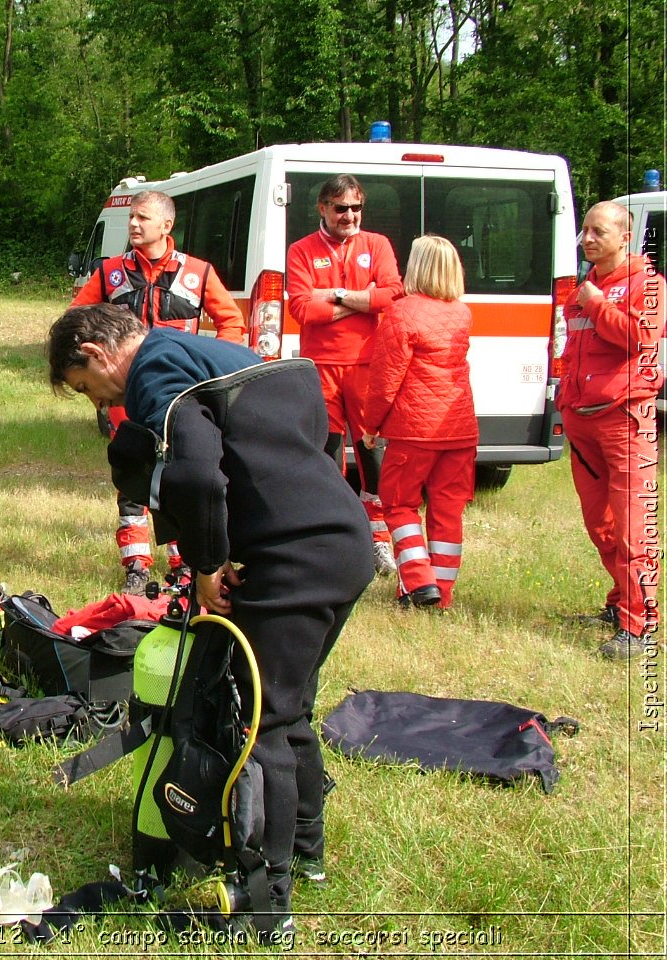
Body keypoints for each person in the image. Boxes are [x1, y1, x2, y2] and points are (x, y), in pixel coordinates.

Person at [47, 302, 374, 934]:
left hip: (291, 557)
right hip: (341, 540)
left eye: (91, 389)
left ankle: (263, 901)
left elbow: (197, 475)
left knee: (262, 721)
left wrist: (206, 562)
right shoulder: (212, 352)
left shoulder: (153, 371)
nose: (103, 403)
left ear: (95, 353)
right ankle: (304, 853)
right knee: (286, 703)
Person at [71, 190, 247, 595]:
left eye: (142, 218)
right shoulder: (109, 272)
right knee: (132, 478)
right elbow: (74, 320)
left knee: (181, 476)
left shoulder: (198, 273)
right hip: (127, 396)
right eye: (131, 217)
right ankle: (135, 565)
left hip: (182, 397)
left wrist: (207, 379)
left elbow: (231, 325)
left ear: (166, 226)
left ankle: (185, 563)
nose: (133, 224)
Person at [286, 174, 404, 578]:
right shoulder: (301, 250)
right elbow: (302, 309)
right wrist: (363, 301)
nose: (349, 215)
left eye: (356, 208)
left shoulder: (377, 245)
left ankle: (380, 542)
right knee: (327, 458)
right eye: (341, 208)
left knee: (374, 457)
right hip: (321, 368)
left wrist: (333, 295)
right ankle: (337, 542)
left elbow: (391, 294)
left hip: (370, 365)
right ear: (322, 208)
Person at [559, 201, 662, 660]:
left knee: (632, 527)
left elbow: (642, 339)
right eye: (584, 230)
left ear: (626, 236)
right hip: (582, 418)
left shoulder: (648, 283)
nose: (588, 239)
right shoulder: (584, 287)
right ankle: (621, 602)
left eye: (598, 231)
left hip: (625, 417)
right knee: (599, 522)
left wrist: (599, 305)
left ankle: (640, 627)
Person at [360, 235, 478, 609]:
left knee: (399, 505)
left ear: (417, 267)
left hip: (414, 430)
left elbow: (385, 380)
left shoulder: (403, 312)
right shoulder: (461, 311)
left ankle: (418, 581)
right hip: (460, 429)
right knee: (447, 510)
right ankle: (441, 595)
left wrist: (370, 425)